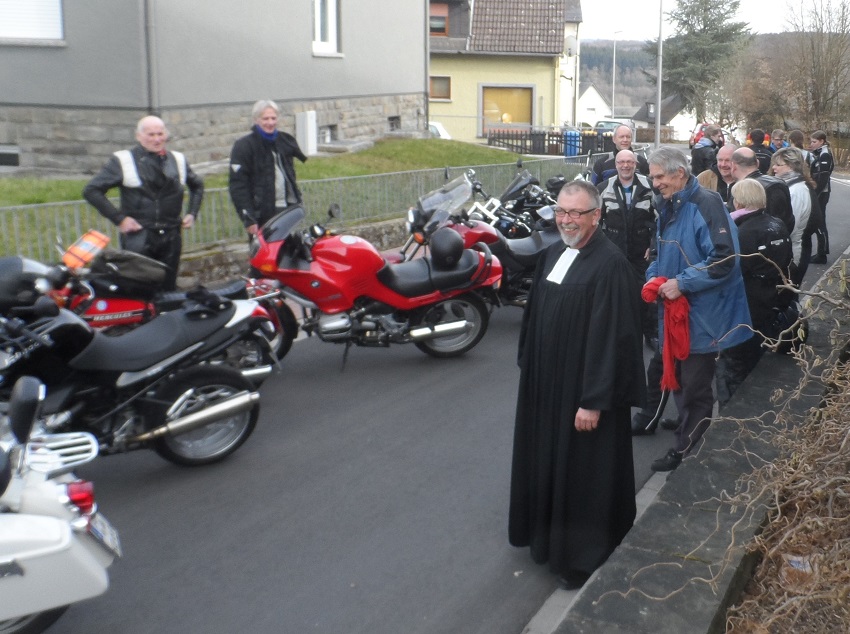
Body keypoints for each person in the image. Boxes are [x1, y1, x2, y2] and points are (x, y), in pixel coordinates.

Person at [508, 179, 645, 589]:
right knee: (549, 462)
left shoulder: (611, 265)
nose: (567, 220)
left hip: (583, 395)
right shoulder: (553, 254)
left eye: (576, 213)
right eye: (561, 212)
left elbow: (615, 340)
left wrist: (594, 400)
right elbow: (533, 320)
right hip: (547, 389)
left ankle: (581, 558)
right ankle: (545, 539)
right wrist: (529, 371)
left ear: (596, 216)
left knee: (583, 474)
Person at [645, 147, 752, 472]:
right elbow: (656, 254)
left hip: (701, 317)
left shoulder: (705, 204)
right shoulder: (667, 205)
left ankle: (685, 452)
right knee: (679, 380)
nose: (654, 183)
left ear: (679, 173)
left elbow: (724, 260)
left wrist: (681, 282)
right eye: (652, 177)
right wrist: (653, 278)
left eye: (659, 176)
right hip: (678, 315)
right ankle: (687, 430)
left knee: (694, 387)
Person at [83, 115, 204, 291]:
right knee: (139, 288)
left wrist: (192, 213)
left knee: (168, 288)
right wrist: (120, 219)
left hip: (171, 234)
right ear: (138, 136)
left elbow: (198, 185)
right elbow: (91, 190)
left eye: (160, 134)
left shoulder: (178, 159)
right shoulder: (123, 160)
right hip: (139, 234)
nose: (156, 139)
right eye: (150, 135)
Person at [595, 151, 664, 434]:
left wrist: (654, 245)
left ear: (636, 165)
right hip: (614, 257)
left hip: (640, 258)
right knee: (615, 304)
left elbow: (660, 220)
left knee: (645, 301)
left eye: (629, 163)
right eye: (621, 162)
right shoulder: (603, 189)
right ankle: (620, 338)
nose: (625, 166)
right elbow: (596, 223)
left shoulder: (648, 187)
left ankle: (649, 334)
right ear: (616, 165)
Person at [715, 179, 793, 406]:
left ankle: (730, 419)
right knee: (754, 363)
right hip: (770, 304)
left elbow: (732, 270)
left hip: (746, 307)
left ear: (738, 201)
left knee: (732, 366)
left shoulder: (742, 231)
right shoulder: (777, 224)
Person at [229, 100, 308, 236]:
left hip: (287, 209)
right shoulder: (244, 146)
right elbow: (238, 186)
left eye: (273, 118)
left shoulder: (284, 141)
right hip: (262, 214)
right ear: (256, 120)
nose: (270, 123)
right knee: (267, 255)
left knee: (289, 251)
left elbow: (289, 174)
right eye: (265, 118)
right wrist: (249, 219)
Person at [769, 147, 821, 284]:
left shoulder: (796, 192)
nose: (774, 168)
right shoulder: (793, 186)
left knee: (788, 296)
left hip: (794, 252)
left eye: (778, 165)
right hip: (792, 249)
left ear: (791, 166)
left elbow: (790, 226)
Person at [729, 147, 795, 234]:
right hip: (782, 241)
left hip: (751, 243)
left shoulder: (741, 191)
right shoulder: (779, 182)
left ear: (733, 166)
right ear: (757, 163)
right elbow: (789, 220)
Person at [809, 130, 833, 264]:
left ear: (822, 141)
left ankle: (822, 253)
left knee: (819, 222)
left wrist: (815, 194)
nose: (812, 144)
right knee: (819, 222)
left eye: (814, 142)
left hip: (821, 193)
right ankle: (821, 252)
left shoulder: (824, 155)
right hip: (820, 192)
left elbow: (823, 177)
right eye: (811, 141)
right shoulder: (820, 153)